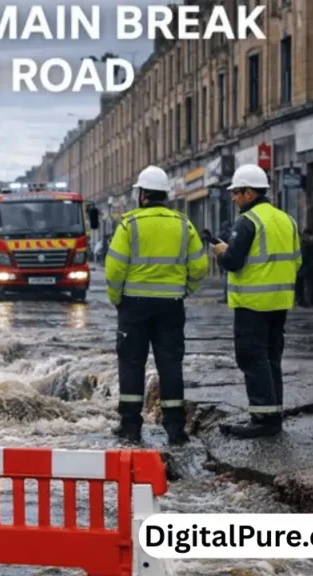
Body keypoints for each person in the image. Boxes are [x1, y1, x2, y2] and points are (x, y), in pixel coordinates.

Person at [105, 165, 208, 446]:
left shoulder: (129, 225)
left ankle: (130, 427)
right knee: (170, 365)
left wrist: (117, 299)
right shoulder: (184, 224)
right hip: (171, 307)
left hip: (134, 308)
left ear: (142, 195)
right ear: (165, 194)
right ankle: (175, 429)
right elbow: (200, 266)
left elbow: (114, 270)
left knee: (131, 364)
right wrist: (185, 289)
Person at [211, 164, 301, 439]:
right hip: (279, 301)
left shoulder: (247, 221)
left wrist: (221, 252)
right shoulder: (287, 220)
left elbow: (234, 262)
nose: (234, 198)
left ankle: (262, 417)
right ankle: (273, 414)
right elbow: (297, 260)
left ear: (249, 193)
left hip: (252, 303)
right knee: (272, 358)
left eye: (237, 193)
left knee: (252, 357)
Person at [296, 228, 313, 307]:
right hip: (311, 266)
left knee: (303, 284)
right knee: (308, 284)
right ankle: (308, 300)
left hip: (304, 266)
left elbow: (303, 255)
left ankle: (303, 300)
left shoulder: (303, 242)